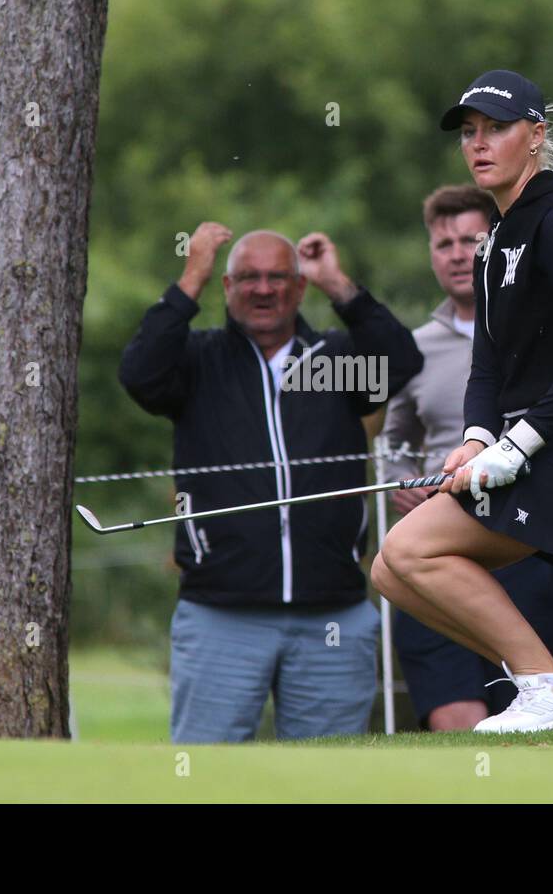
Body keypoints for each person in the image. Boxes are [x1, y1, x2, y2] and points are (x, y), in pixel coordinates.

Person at [371, 69, 553, 734]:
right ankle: (542, 681)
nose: (479, 143)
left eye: (496, 128)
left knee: (409, 551)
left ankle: (549, 686)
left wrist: (517, 445)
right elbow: (487, 363)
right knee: (389, 570)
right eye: (469, 133)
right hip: (536, 446)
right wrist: (474, 439)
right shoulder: (497, 240)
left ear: (536, 135)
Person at [120, 224, 423, 743]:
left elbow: (402, 360)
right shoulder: (198, 362)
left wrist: (338, 283)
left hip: (332, 616)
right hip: (221, 614)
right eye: (249, 278)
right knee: (205, 778)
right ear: (228, 287)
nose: (264, 289)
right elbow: (140, 374)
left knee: (328, 782)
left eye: (278, 277)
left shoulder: (331, 363)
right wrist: (191, 275)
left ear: (299, 287)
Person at [383, 184, 553, 731]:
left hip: (522, 540)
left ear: (494, 244)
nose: (454, 253)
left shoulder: (547, 334)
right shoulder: (413, 348)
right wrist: (400, 479)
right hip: (436, 537)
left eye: (468, 239)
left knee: (531, 709)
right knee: (454, 714)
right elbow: (396, 440)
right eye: (441, 242)